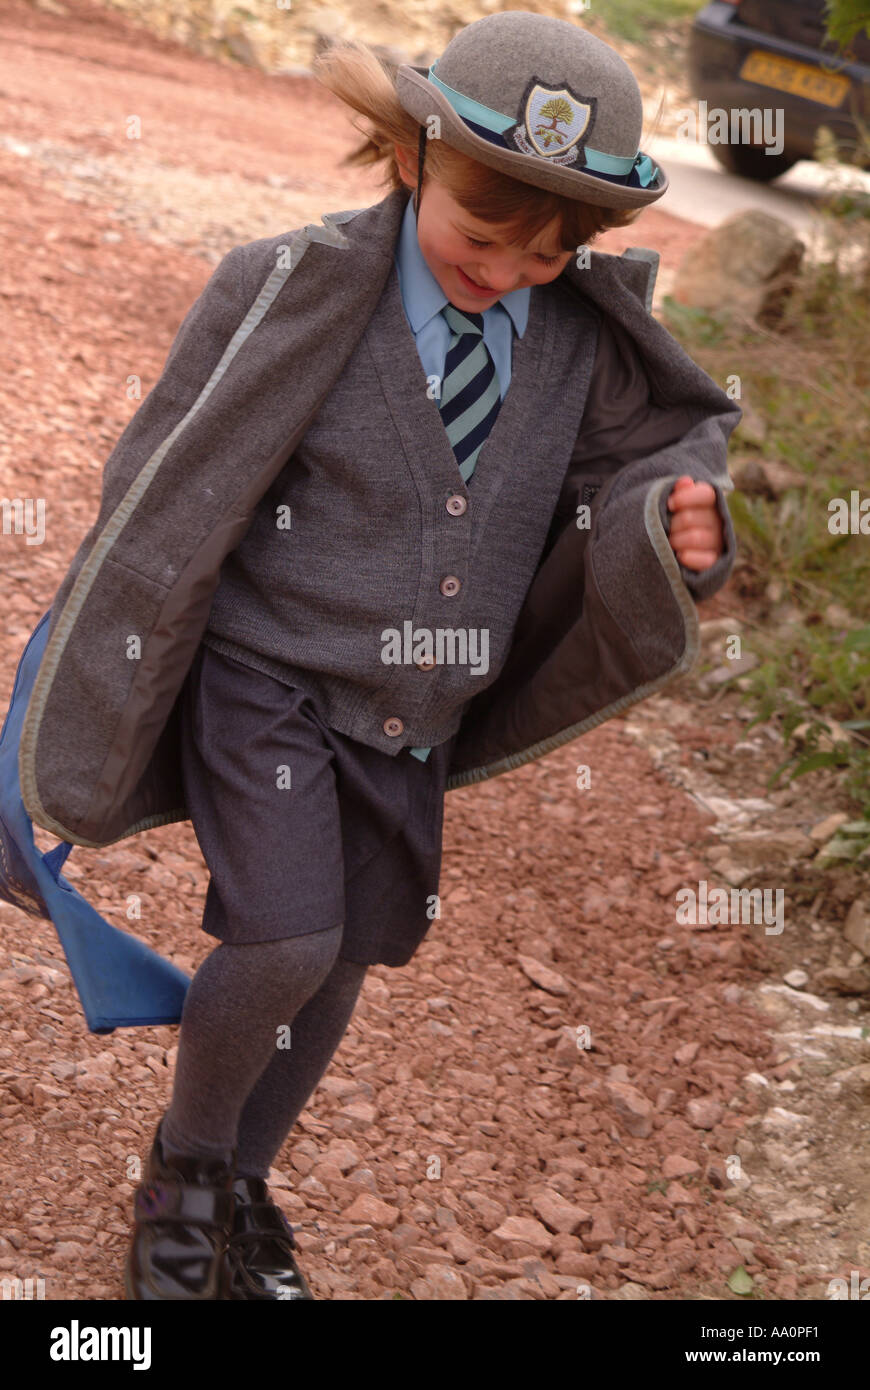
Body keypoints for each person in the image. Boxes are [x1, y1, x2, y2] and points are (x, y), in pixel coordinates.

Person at [119, 11, 733, 1300]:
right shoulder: (287, 288)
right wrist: (93, 675)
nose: (510, 270)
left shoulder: (576, 334)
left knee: (343, 958)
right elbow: (161, 488)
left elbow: (661, 451)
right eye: (483, 232)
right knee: (285, 938)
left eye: (551, 250)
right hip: (267, 673)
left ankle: (241, 1184)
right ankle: (182, 1177)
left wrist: (676, 516)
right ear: (414, 160)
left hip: (411, 707)